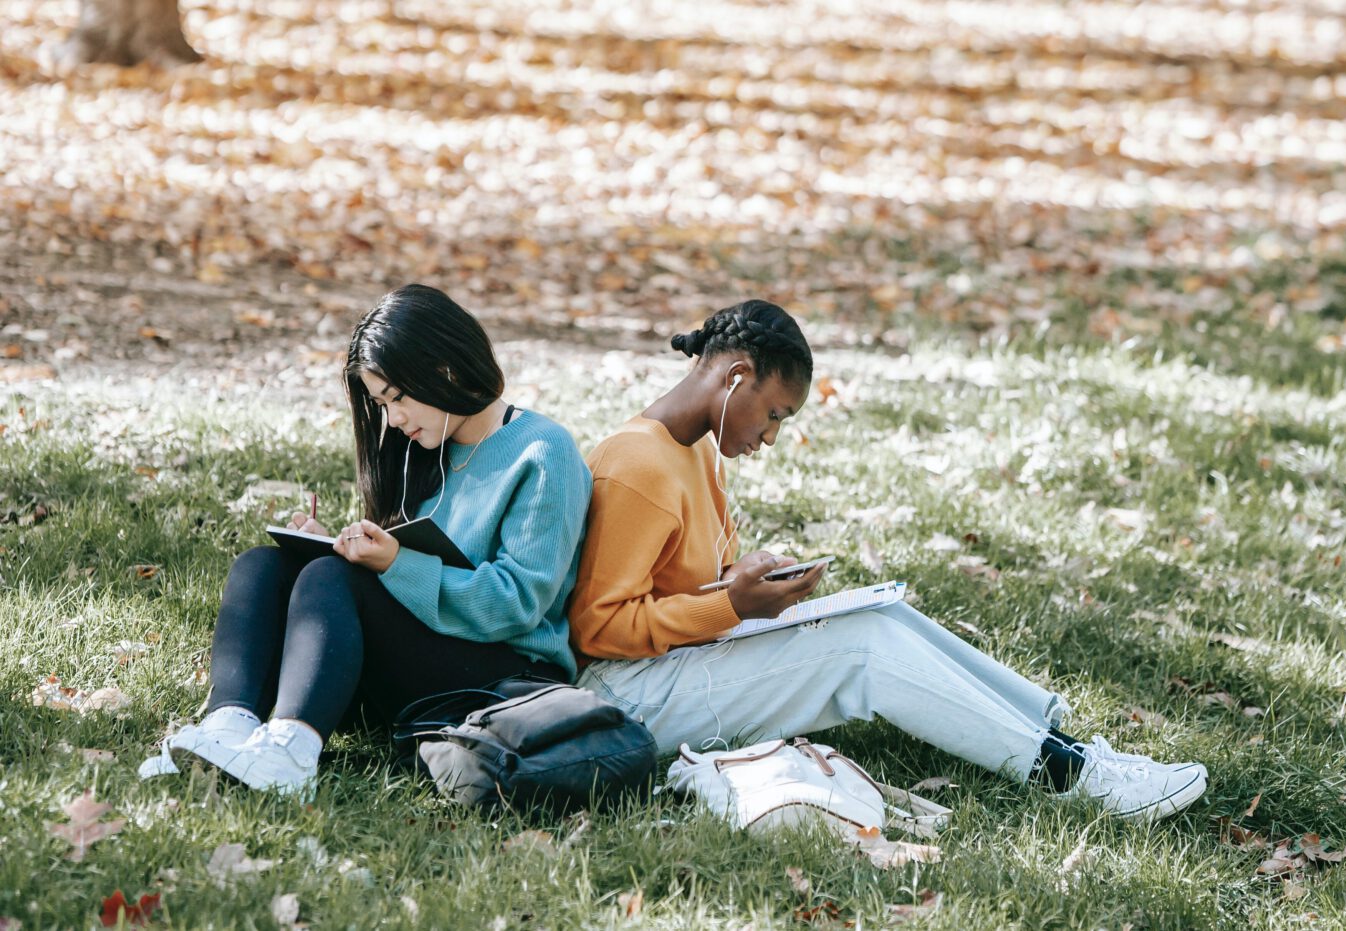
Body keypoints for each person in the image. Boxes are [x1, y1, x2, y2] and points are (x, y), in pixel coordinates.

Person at [568, 299, 1208, 821]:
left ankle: (1065, 743)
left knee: (884, 615)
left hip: (676, 663)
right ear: (736, 378)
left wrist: (741, 583)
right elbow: (597, 630)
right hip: (630, 698)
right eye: (774, 414)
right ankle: (1071, 777)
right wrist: (730, 603)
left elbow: (677, 579)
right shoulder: (638, 464)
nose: (771, 436)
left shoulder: (695, 452)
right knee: (864, 648)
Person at [139, 284, 591, 797]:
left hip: (503, 676)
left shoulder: (540, 450)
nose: (393, 420)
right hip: (422, 657)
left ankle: (289, 753)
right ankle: (227, 732)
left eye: (398, 399)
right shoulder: (422, 449)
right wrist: (339, 545)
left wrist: (391, 563)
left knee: (334, 579)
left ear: (444, 370)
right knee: (264, 566)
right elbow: (402, 574)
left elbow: (517, 605)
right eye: (382, 404)